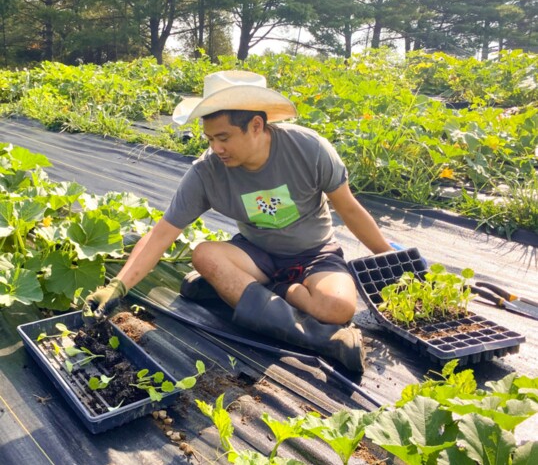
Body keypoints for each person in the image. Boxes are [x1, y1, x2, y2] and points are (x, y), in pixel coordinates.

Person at [85, 70, 395, 373]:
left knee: (338, 308)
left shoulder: (308, 149)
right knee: (205, 254)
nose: (215, 148)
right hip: (256, 254)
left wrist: (392, 263)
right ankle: (322, 340)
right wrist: (117, 286)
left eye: (224, 137)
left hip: (315, 254)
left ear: (257, 126)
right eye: (209, 138)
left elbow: (350, 210)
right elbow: (163, 232)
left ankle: (250, 290)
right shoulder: (207, 173)